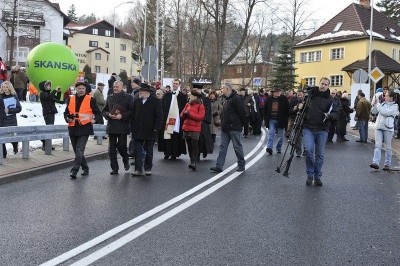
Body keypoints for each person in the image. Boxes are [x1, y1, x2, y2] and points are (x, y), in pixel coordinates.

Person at [302, 77, 338, 186]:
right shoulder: (311, 95)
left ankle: (317, 176)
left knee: (320, 155)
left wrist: (330, 115)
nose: (323, 86)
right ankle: (309, 174)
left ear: (328, 86)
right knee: (308, 150)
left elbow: (336, 114)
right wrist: (300, 106)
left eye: (325, 84)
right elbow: (304, 108)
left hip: (322, 129)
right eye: (322, 83)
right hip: (308, 127)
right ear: (319, 83)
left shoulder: (331, 100)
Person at [64, 82, 102, 179]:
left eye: (83, 88)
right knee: (77, 151)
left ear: (85, 90)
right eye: (79, 88)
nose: (81, 90)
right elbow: (66, 112)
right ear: (76, 89)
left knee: (79, 149)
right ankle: (85, 168)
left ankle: (74, 170)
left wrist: (94, 120)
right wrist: (67, 118)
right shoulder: (70, 99)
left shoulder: (90, 99)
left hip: (85, 127)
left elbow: (98, 113)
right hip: (73, 127)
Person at [210, 83, 246, 173]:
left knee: (237, 147)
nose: (221, 90)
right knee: (223, 147)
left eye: (222, 88)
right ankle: (219, 166)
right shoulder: (226, 99)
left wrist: (241, 124)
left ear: (227, 89)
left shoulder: (236, 98)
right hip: (225, 127)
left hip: (234, 127)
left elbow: (242, 112)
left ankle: (241, 165)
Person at [130, 83, 163, 176]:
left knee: (149, 151)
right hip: (138, 130)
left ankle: (148, 168)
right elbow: (133, 116)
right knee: (137, 150)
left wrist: (157, 127)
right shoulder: (136, 101)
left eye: (142, 91)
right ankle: (138, 169)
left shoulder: (156, 101)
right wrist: (132, 127)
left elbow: (159, 116)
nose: (140, 92)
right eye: (140, 91)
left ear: (147, 92)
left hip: (150, 130)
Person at [102, 80, 134, 175]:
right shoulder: (109, 97)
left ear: (122, 87)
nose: (115, 88)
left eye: (117, 87)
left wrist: (122, 116)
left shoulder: (128, 97)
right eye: (114, 87)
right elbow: (104, 110)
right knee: (111, 149)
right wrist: (108, 115)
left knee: (121, 146)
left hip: (122, 126)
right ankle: (114, 168)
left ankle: (125, 159)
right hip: (111, 125)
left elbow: (132, 111)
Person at [158, 78, 187, 160]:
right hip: (168, 118)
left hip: (177, 119)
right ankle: (167, 152)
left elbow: (184, 108)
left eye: (176, 83)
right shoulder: (167, 95)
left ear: (179, 85)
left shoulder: (182, 96)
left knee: (176, 135)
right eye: (174, 83)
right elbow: (163, 107)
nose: (175, 85)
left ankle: (175, 153)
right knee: (167, 135)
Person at [370, 90, 399, 171]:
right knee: (378, 146)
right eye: (384, 95)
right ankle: (375, 163)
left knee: (388, 147)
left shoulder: (395, 106)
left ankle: (387, 164)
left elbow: (384, 112)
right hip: (379, 127)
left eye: (386, 96)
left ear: (391, 98)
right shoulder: (382, 104)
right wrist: (374, 105)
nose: (384, 97)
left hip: (388, 129)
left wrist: (378, 105)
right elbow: (374, 112)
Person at [181, 90, 205, 171]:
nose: (189, 97)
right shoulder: (187, 104)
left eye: (190, 96)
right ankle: (191, 160)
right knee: (189, 146)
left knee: (194, 145)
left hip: (195, 129)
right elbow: (181, 115)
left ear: (195, 97)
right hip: (186, 127)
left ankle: (194, 161)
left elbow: (200, 117)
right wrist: (184, 114)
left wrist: (190, 114)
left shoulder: (200, 106)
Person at [264, 88, 289, 155]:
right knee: (271, 134)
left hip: (280, 120)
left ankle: (278, 148)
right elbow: (265, 108)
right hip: (271, 119)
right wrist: (265, 118)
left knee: (280, 136)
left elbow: (287, 109)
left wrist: (285, 118)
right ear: (273, 92)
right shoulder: (269, 99)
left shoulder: (284, 99)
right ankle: (269, 148)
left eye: (278, 91)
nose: (277, 93)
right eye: (275, 92)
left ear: (280, 92)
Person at [39, 80, 62, 151]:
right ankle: (45, 142)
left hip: (51, 112)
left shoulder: (49, 94)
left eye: (49, 85)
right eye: (47, 85)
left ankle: (46, 144)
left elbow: (57, 99)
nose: (49, 87)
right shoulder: (43, 94)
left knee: (50, 129)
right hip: (47, 113)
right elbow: (48, 97)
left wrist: (59, 92)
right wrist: (55, 90)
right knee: (49, 128)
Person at [191, 83, 213, 159]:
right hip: (194, 121)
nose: (195, 91)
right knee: (195, 139)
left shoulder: (205, 99)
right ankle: (196, 155)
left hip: (202, 121)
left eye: (196, 90)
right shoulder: (192, 98)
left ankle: (204, 151)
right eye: (194, 90)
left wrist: (201, 118)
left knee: (203, 139)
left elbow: (207, 110)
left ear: (200, 90)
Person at [0, 81, 22, 158]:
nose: (4, 88)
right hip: (1, 120)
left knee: (12, 138)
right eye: (3, 87)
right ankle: (3, 154)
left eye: (6, 87)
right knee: (1, 138)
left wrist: (9, 110)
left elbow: (19, 108)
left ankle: (15, 146)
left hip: (11, 120)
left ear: (9, 87)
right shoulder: (0, 96)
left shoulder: (14, 96)